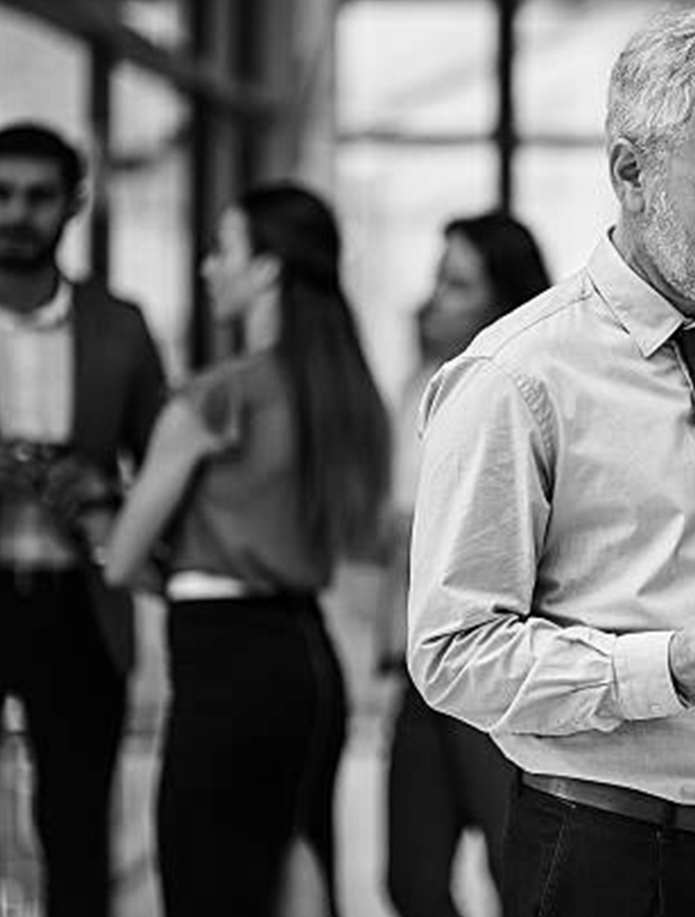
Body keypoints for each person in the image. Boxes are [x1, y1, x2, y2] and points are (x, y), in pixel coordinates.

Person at [407, 8, 695, 917]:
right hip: (610, 862)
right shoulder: (515, 378)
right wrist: (675, 669)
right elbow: (452, 654)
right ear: (630, 172)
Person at [102, 182, 391, 917]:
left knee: (204, 887)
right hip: (307, 662)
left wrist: (88, 504)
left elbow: (121, 559)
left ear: (266, 268)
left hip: (225, 664)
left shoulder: (216, 397)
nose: (206, 267)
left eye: (221, 249)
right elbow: (359, 537)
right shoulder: (346, 394)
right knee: (299, 880)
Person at [0, 120, 166, 917]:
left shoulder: (120, 326)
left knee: (74, 831)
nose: (16, 213)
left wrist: (95, 487)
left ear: (73, 204)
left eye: (37, 196)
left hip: (80, 604)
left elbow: (167, 474)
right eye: (2, 195)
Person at [381, 212, 550, 917]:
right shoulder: (421, 386)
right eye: (437, 279)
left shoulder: (526, 392)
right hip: (421, 673)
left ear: (501, 300)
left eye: (456, 284)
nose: (432, 300)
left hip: (497, 668)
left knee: (517, 876)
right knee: (411, 879)